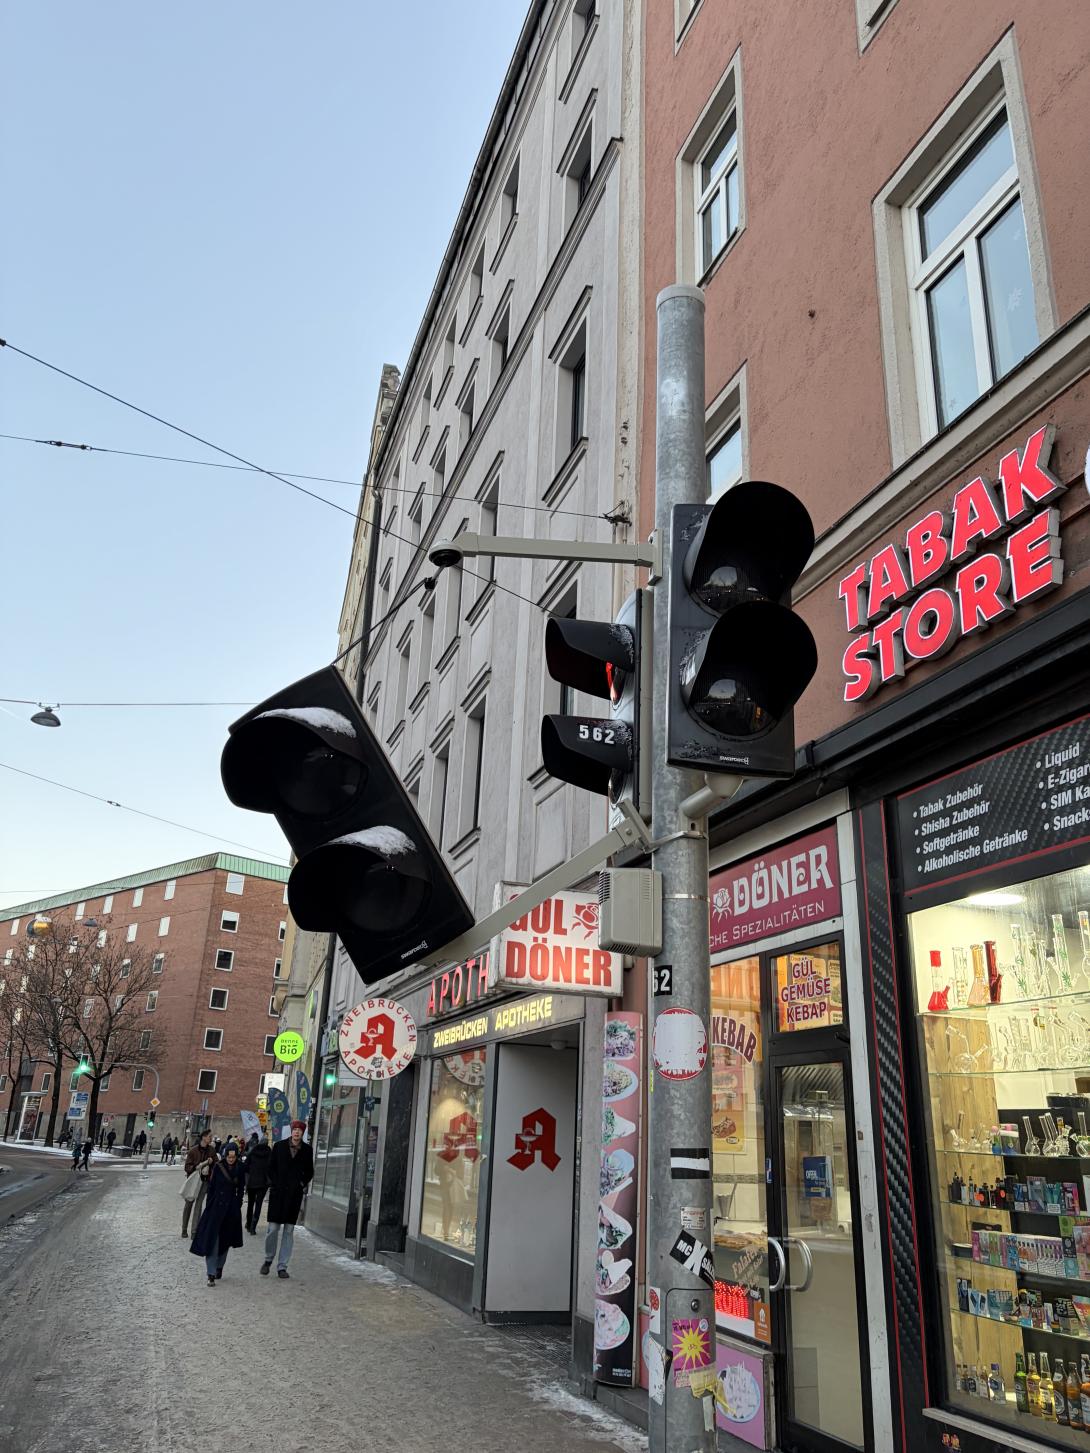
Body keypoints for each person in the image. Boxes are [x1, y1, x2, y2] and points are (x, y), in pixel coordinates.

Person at [262, 1121, 313, 1279]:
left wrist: (301, 1184)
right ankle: (268, 1259)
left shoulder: (307, 1150)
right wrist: (274, 1183)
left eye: (299, 1130)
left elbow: (309, 1171)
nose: (296, 1132)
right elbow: (270, 1167)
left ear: (302, 1133)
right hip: (278, 1194)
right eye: (295, 1129)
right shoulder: (279, 1146)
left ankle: (282, 1266)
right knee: (273, 1229)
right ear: (291, 1131)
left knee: (289, 1231)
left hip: (293, 1196)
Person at [189, 1143, 245, 1286]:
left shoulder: (240, 1168)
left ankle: (219, 1266)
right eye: (229, 1157)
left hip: (230, 1210)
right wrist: (209, 1207)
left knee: (226, 1241)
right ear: (225, 1155)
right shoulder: (218, 1167)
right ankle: (211, 1273)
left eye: (233, 1157)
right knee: (212, 1241)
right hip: (215, 1209)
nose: (231, 1159)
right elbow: (212, 1188)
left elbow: (241, 1189)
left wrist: (237, 1204)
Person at [182, 1131, 216, 1238]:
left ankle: (194, 1231)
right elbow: (187, 1167)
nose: (211, 1138)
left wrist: (211, 1163)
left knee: (199, 1205)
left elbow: (217, 1164)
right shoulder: (193, 1150)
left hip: (205, 1181)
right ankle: (184, 1229)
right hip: (193, 1181)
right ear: (204, 1137)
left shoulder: (212, 1150)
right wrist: (197, 1166)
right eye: (209, 1136)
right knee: (189, 1204)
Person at [243, 1133, 272, 1234]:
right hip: (263, 1183)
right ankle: (253, 1227)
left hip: (252, 1181)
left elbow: (246, 1166)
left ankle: (248, 1223)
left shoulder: (253, 1151)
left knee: (250, 1204)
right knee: (259, 1205)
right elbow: (272, 1168)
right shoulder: (269, 1152)